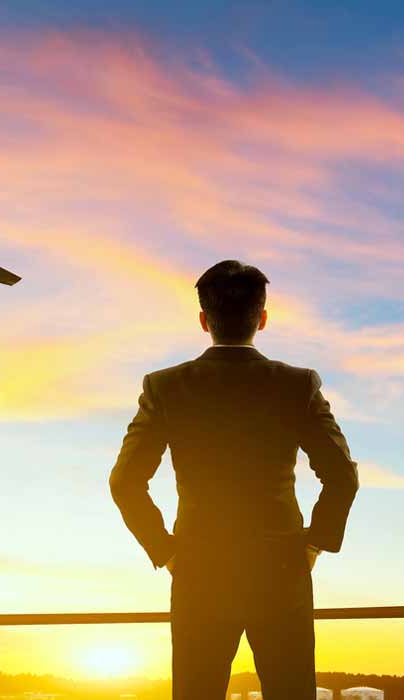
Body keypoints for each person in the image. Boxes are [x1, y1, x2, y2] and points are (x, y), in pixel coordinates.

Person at [108, 259, 359, 700]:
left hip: (198, 570)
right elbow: (342, 475)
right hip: (282, 570)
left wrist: (165, 550)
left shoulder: (165, 387)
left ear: (204, 320)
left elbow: (125, 481)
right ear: (261, 318)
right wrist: (313, 544)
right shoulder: (297, 385)